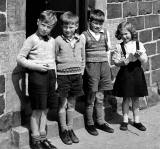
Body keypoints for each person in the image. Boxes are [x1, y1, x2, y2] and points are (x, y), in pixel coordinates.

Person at [17, 10, 57, 149]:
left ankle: (43, 137)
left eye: (49, 27)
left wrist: (55, 79)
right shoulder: (31, 39)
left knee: (46, 109)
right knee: (37, 110)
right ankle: (35, 140)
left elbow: (53, 60)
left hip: (50, 76)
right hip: (37, 77)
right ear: (38, 22)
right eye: (43, 25)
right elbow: (20, 58)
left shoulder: (52, 41)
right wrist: (37, 66)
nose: (45, 29)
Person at [81, 9, 114, 136]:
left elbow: (107, 50)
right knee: (91, 97)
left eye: (100, 23)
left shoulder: (105, 33)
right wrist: (84, 70)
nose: (98, 26)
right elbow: (82, 53)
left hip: (104, 66)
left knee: (100, 97)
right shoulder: (84, 35)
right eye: (95, 23)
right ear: (90, 21)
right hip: (91, 68)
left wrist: (108, 66)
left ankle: (100, 121)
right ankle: (90, 123)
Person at [55, 11, 85, 145]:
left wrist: (81, 70)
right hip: (62, 76)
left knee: (72, 103)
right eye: (65, 27)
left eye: (71, 27)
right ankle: (63, 130)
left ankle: (70, 128)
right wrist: (55, 77)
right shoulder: (58, 40)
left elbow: (83, 57)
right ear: (62, 27)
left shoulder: (80, 40)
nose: (68, 30)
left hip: (76, 75)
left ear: (76, 26)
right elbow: (53, 59)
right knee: (63, 104)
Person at [112, 21, 148, 131]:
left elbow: (145, 60)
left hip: (137, 74)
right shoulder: (119, 46)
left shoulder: (139, 44)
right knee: (126, 99)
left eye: (126, 33)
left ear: (132, 33)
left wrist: (140, 56)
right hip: (125, 75)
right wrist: (121, 62)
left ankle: (137, 120)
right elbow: (115, 62)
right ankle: (125, 120)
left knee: (136, 99)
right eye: (122, 34)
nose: (124, 36)